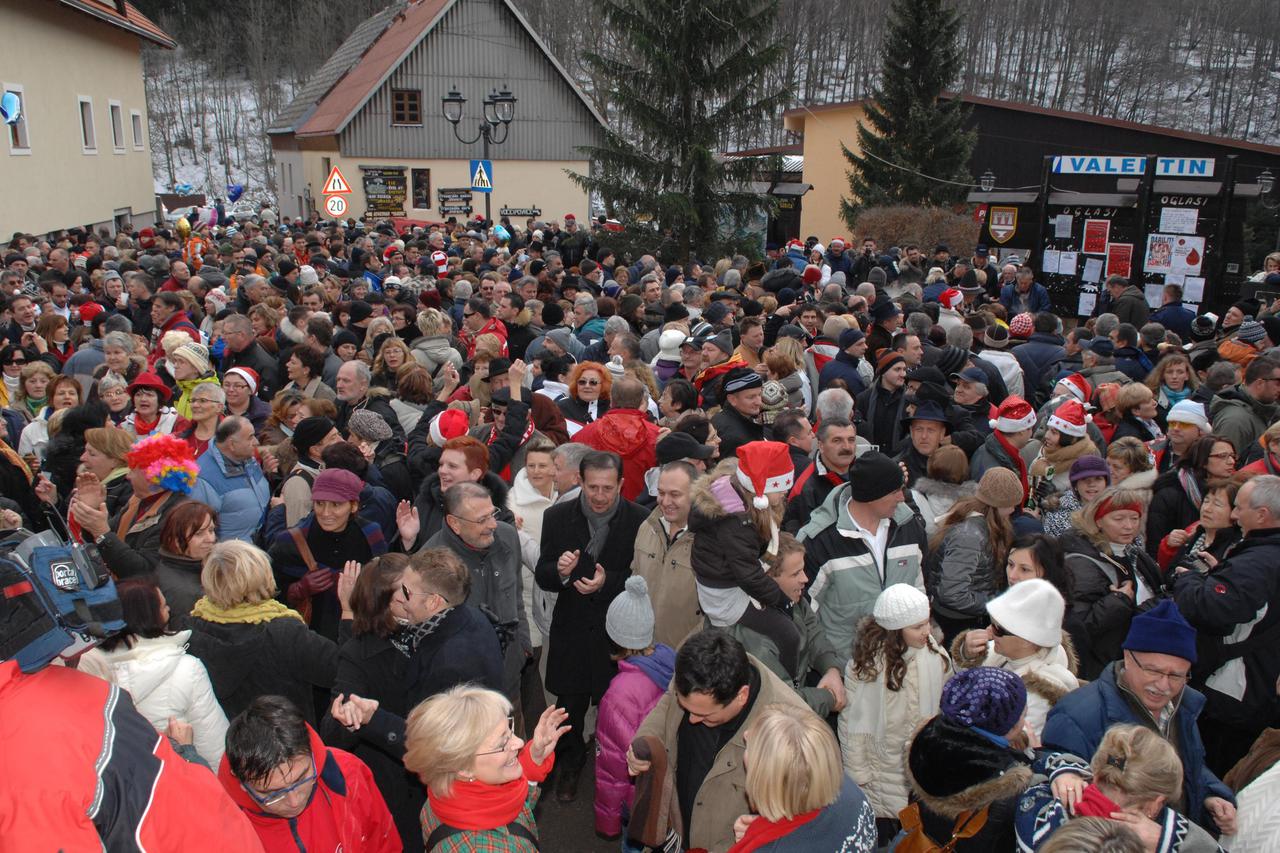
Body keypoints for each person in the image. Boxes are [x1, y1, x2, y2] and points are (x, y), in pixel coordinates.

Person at [1042, 600, 1237, 834]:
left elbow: (1191, 765)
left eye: (1176, 675)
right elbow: (1052, 770)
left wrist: (1211, 795)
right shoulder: (1077, 716)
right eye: (1153, 670)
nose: (1164, 685)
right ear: (1127, 657)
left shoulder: (1184, 707)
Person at [626, 630, 808, 853]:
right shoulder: (694, 671)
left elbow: (787, 826)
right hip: (676, 828)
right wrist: (646, 739)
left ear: (741, 696)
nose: (691, 720)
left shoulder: (791, 738)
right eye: (686, 708)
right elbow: (667, 702)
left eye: (704, 715)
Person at [534, 450, 647, 802]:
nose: (599, 496)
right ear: (580, 482)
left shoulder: (640, 520)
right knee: (569, 707)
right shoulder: (556, 517)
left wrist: (607, 582)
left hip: (618, 637)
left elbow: (643, 576)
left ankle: (615, 775)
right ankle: (570, 765)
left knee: (618, 713)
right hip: (572, 631)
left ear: (622, 486)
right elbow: (543, 573)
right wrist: (562, 572)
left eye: (607, 489)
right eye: (592, 487)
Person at [1172, 474, 1280, 775]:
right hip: (1260, 688)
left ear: (1262, 515)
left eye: (1239, 507)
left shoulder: (1258, 562)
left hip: (1233, 694)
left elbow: (1213, 610)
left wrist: (1189, 579)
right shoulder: (1261, 558)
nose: (1234, 514)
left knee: (1210, 772)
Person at [78, 577, 229, 768]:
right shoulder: (187, 669)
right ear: (149, 617)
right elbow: (212, 742)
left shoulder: (87, 672)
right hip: (177, 775)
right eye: (163, 606)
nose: (169, 609)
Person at [220, 694, 400, 852]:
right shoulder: (223, 825)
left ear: (313, 754)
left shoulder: (347, 773)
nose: (294, 802)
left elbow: (383, 843)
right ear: (242, 784)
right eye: (273, 794)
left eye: (302, 779)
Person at [840, 584, 949, 841]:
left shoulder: (934, 654)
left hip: (921, 769)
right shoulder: (867, 666)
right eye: (917, 627)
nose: (926, 632)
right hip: (881, 771)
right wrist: (858, 774)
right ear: (895, 630)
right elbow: (853, 725)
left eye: (927, 623)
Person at [798, 451, 927, 668]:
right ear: (871, 496)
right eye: (895, 491)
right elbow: (804, 615)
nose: (902, 498)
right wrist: (827, 666)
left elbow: (921, 589)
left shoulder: (909, 527)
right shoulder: (819, 541)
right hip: (847, 669)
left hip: (904, 664)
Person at [402, 686, 570, 852]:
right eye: (501, 742)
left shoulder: (445, 792)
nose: (519, 743)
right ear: (463, 768)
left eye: (509, 730)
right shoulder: (486, 848)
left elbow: (512, 807)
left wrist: (534, 757)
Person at [187, 541, 338, 725]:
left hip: (224, 744)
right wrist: (348, 615)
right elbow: (339, 671)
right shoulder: (284, 631)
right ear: (262, 575)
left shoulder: (193, 626)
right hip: (287, 744)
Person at [1017, 725, 1224, 852]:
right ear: (1156, 804)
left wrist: (1064, 769)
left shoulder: (1043, 809)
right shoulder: (1153, 841)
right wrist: (1167, 842)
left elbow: (1034, 763)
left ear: (1096, 774)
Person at [898, 667, 1035, 851]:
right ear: (1008, 727)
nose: (1025, 717)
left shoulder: (927, 741)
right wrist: (1036, 754)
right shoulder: (1008, 784)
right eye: (1021, 714)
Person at [425, 481, 527, 703]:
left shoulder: (508, 536)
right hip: (463, 694)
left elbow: (516, 594)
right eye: (482, 520)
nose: (492, 525)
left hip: (510, 680)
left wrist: (522, 647)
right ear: (454, 523)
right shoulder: (432, 561)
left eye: (492, 514)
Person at [727, 703, 878, 852]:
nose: (746, 735)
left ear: (766, 783)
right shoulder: (850, 792)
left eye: (751, 748)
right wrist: (761, 829)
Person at [593, 576, 677, 841]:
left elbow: (612, 768)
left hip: (639, 801)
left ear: (613, 634)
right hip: (669, 793)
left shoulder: (617, 695)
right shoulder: (671, 663)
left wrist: (608, 825)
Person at [270, 468, 387, 642]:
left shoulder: (371, 535)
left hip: (360, 636)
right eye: (320, 503)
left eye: (336, 505)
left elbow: (386, 585)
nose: (325, 513)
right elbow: (268, 592)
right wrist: (297, 590)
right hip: (307, 640)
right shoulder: (290, 541)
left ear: (353, 506)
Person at [951, 579, 1079, 737]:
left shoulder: (1038, 694)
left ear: (1026, 640)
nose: (989, 631)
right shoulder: (1003, 653)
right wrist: (967, 653)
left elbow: (1016, 741)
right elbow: (962, 677)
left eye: (998, 629)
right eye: (991, 623)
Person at [734, 534, 844, 715]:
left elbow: (814, 633)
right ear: (767, 578)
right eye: (795, 574)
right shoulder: (754, 640)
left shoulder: (793, 598)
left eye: (802, 569)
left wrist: (831, 669)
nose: (805, 579)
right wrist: (829, 697)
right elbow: (783, 700)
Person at [1061, 488, 1165, 679]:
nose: (1129, 526)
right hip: (1103, 669)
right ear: (1098, 521)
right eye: (1119, 519)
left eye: (1134, 518)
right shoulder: (1081, 562)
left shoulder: (1133, 553)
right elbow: (1079, 627)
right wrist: (1119, 601)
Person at [70, 432, 196, 579]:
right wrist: (93, 509)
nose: (128, 476)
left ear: (152, 477)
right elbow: (108, 535)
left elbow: (143, 571)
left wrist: (101, 532)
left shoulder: (177, 515)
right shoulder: (137, 500)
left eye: (133, 470)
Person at [926, 467, 1024, 644]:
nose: (1013, 509)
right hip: (957, 623)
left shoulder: (980, 525)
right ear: (998, 505)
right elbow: (952, 592)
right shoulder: (969, 536)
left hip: (968, 616)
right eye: (1011, 504)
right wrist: (993, 603)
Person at [631, 461, 702, 648]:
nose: (665, 501)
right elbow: (634, 581)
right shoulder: (647, 527)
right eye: (661, 493)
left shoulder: (709, 541)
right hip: (642, 651)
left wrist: (686, 653)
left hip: (683, 659)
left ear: (695, 494)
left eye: (675, 494)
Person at [1145, 434, 1236, 555]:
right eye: (1222, 456)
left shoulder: (1232, 489)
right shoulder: (1169, 493)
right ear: (1203, 460)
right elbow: (1154, 544)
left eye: (1232, 456)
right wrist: (1169, 543)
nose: (1231, 462)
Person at [574, 375, 659, 501]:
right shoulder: (658, 436)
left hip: (596, 504)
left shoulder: (584, 434)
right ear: (642, 401)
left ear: (611, 400)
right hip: (642, 511)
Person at [189, 416, 271, 542]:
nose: (256, 442)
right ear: (232, 444)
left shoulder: (248, 460)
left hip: (257, 548)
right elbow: (197, 531)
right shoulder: (203, 479)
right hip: (232, 556)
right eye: (250, 437)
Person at [782, 415, 856, 534]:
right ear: (821, 446)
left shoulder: (864, 475)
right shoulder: (805, 489)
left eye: (851, 440)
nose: (847, 447)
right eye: (837, 441)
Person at [153, 500, 219, 624]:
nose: (210, 539)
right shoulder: (182, 592)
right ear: (175, 539)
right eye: (199, 534)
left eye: (211, 530)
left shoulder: (205, 564)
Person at [1156, 480, 1240, 573]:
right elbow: (1167, 573)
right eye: (1206, 501)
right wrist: (1169, 547)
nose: (1207, 509)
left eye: (1217, 504)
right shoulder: (1192, 537)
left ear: (1234, 512)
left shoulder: (1235, 549)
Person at [1210, 355, 1280, 459]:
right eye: (1278, 383)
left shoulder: (1266, 409)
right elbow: (1225, 465)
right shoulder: (1235, 420)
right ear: (1260, 383)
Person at [970, 395, 1036, 501]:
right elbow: (998, 509)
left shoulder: (991, 448)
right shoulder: (998, 468)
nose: (1031, 434)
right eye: (1031, 428)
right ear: (1022, 430)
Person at [1041, 455, 1110, 537]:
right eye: (1084, 479)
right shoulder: (1057, 517)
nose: (1091, 484)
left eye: (1098, 478)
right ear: (1075, 485)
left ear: (1106, 483)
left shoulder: (1118, 509)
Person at [856, 351, 909, 451]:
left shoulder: (909, 400)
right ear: (883, 372)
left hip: (899, 458)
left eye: (904, 369)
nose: (903, 374)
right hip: (871, 458)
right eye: (897, 369)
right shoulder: (864, 399)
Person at [712, 366, 766, 459]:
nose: (759, 402)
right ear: (732, 399)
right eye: (751, 397)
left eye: (759, 394)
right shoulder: (735, 439)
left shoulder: (721, 418)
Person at [559, 360, 611, 435]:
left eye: (593, 382)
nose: (587, 386)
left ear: (603, 385)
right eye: (582, 382)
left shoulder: (610, 408)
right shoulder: (562, 407)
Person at [176, 381, 225, 458]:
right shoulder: (178, 438)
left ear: (219, 407)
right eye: (193, 400)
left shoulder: (229, 440)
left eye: (203, 401)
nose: (195, 405)